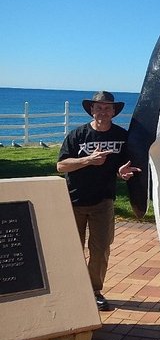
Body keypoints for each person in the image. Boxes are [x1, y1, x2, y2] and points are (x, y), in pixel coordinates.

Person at [56, 91, 141, 311]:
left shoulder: (122, 136)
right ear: (92, 110)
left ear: (114, 111)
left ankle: (94, 291)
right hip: (74, 200)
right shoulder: (78, 135)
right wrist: (88, 160)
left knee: (101, 248)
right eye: (99, 107)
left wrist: (121, 173)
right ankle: (73, 288)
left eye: (107, 108)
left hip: (103, 202)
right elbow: (61, 166)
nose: (103, 111)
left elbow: (122, 167)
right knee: (73, 248)